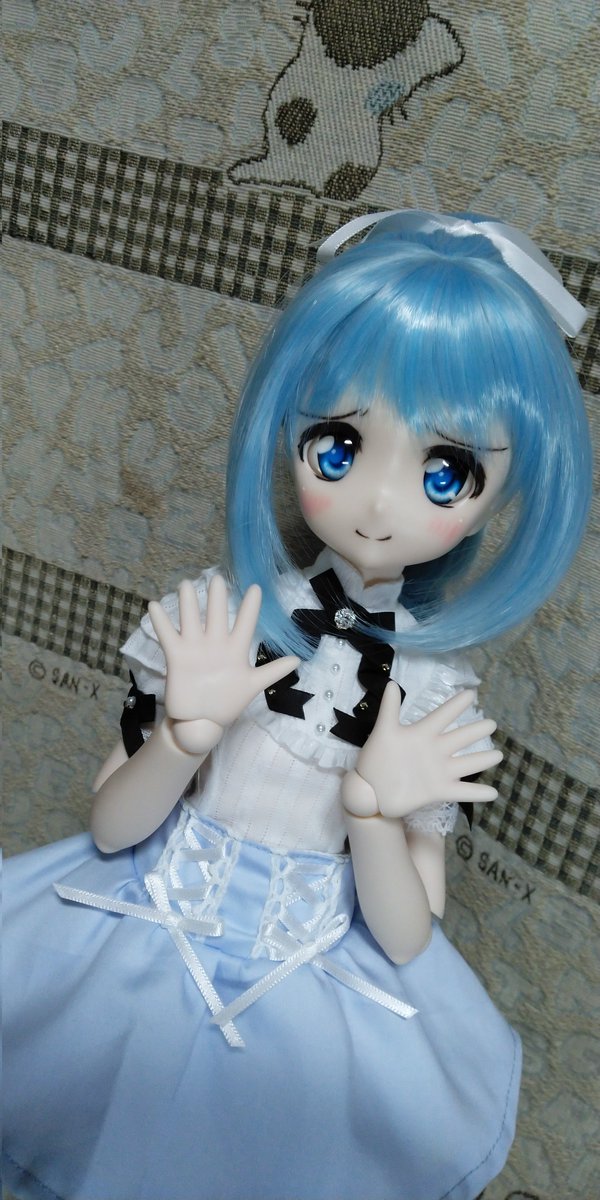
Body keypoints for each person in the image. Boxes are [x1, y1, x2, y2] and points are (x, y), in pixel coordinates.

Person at [2, 211, 591, 1200]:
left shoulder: (433, 693)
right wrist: (183, 737)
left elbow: (409, 935)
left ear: (502, 494)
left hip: (312, 991)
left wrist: (371, 811)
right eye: (340, 447)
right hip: (140, 945)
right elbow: (110, 827)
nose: (380, 505)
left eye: (445, 473)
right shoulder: (219, 618)